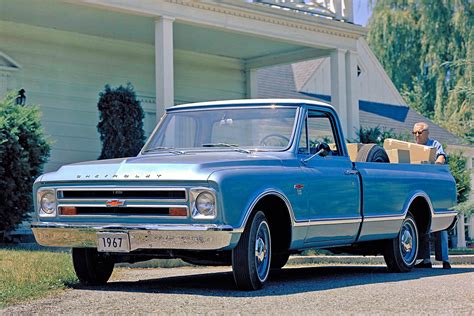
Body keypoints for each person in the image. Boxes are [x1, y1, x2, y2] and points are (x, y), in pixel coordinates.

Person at [412, 122, 451, 269]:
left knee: (440, 226)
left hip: (436, 188)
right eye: (414, 133)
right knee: (423, 225)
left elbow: (441, 159)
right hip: (422, 189)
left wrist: (431, 168)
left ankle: (445, 261)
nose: (417, 135)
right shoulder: (414, 148)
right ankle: (426, 260)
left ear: (427, 133)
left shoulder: (435, 145)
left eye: (420, 132)